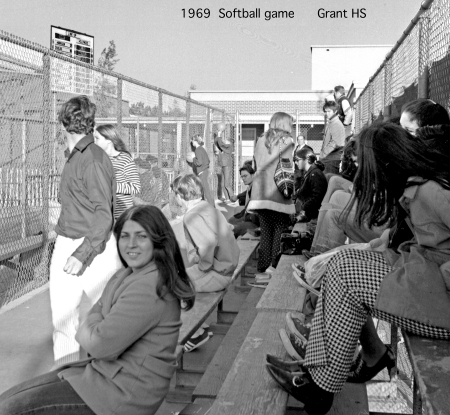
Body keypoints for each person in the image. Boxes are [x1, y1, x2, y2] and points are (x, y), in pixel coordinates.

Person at [266, 123, 450, 415]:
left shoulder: (432, 190)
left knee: (346, 274)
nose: (364, 175)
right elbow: (410, 236)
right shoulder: (416, 183)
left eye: (367, 167)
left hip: (439, 295)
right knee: (339, 264)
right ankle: (316, 371)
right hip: (423, 275)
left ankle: (320, 389)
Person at [0, 206, 196, 415]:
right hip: (102, 379)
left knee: (10, 409)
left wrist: (93, 322)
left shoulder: (150, 285)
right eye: (125, 236)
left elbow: (101, 345)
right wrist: (96, 323)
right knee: (7, 400)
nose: (131, 245)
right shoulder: (126, 275)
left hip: (120, 396)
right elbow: (96, 322)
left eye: (141, 237)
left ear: (157, 241)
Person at [49, 95, 123, 366]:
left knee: (108, 321)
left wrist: (82, 253)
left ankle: (114, 386)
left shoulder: (92, 159)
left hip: (94, 246)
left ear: (62, 124)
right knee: (63, 320)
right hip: (69, 242)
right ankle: (67, 380)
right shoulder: (76, 156)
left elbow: (104, 216)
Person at [172, 174, 240, 351]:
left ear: (180, 195)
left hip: (217, 273)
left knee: (173, 287)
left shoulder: (192, 215)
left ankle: (194, 334)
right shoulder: (208, 208)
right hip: (225, 268)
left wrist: (200, 269)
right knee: (178, 279)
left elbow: (207, 246)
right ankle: (199, 328)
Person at [247, 112, 296, 279]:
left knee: (266, 230)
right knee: (279, 229)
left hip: (260, 192)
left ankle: (262, 266)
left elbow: (254, 163)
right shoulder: (286, 141)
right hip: (277, 192)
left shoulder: (260, 140)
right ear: (284, 124)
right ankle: (273, 267)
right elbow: (288, 167)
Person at [94, 124, 141, 219]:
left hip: (121, 217)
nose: (94, 142)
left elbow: (136, 187)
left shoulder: (124, 159)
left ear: (108, 141)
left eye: (97, 138)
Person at [293, 148, 328, 223]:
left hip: (311, 217)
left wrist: (303, 208)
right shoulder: (310, 173)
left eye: (297, 160)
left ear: (307, 159)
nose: (295, 162)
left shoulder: (315, 174)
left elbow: (317, 198)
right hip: (307, 214)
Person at [228, 165, 260, 238]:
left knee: (231, 229)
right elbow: (246, 192)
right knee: (228, 222)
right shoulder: (250, 187)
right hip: (247, 216)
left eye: (245, 176)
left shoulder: (257, 189)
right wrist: (238, 196)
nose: (243, 178)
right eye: (242, 176)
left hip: (254, 222)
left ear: (253, 175)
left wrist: (246, 218)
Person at [320, 101, 346, 175]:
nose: (327, 113)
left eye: (329, 111)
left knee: (329, 182)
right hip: (329, 159)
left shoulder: (336, 124)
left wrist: (323, 155)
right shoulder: (331, 123)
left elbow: (335, 143)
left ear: (335, 111)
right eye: (325, 111)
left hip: (332, 160)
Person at [190, 134, 215, 207]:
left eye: (192, 140)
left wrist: (194, 158)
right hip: (206, 171)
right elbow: (208, 160)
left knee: (206, 191)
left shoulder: (197, 150)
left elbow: (199, 162)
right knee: (206, 191)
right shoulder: (202, 149)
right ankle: (210, 206)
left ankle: (212, 208)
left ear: (195, 141)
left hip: (203, 173)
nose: (192, 142)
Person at [214, 122, 234, 202]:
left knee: (227, 184)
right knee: (222, 185)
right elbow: (218, 143)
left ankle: (233, 199)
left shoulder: (229, 147)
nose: (224, 141)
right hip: (223, 165)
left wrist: (219, 135)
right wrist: (218, 135)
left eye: (226, 140)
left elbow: (221, 144)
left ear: (229, 142)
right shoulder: (225, 147)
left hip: (227, 166)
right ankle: (227, 199)